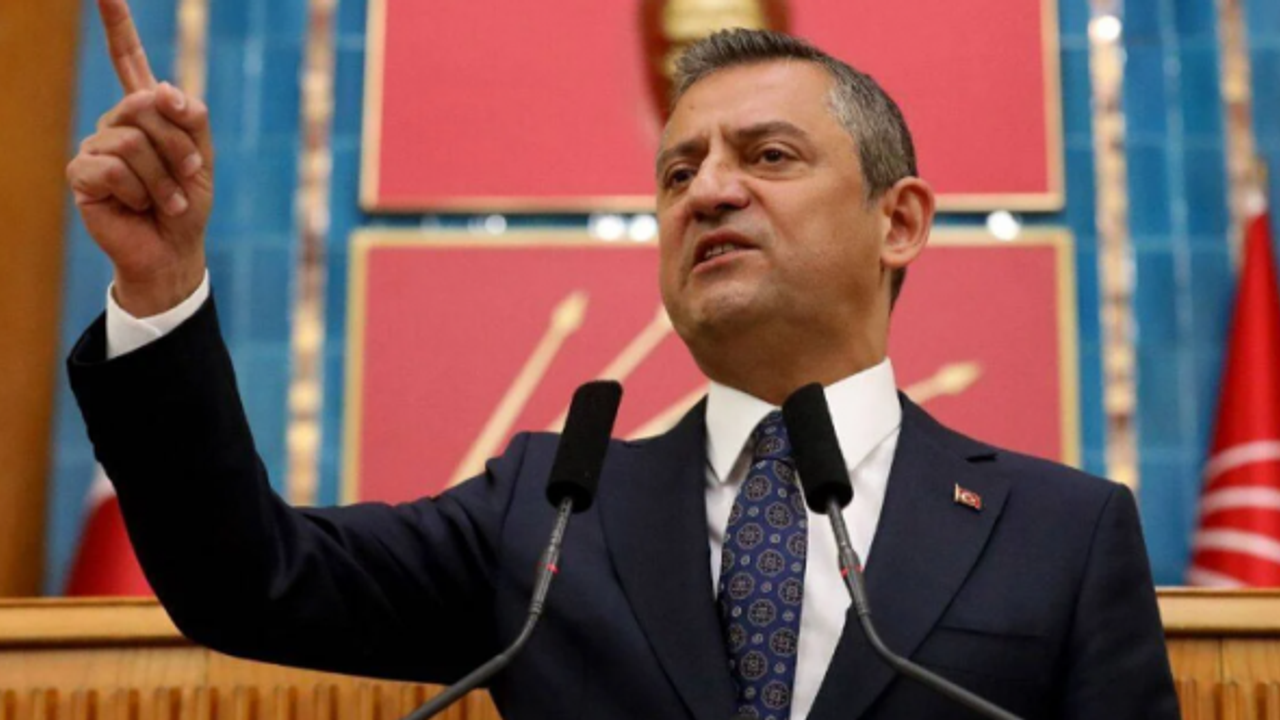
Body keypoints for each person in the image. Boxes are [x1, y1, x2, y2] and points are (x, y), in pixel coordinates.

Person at [65, 1, 1179, 718]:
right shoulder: (548, 512)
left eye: (768, 156)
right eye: (678, 171)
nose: (709, 191)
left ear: (899, 222)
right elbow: (248, 582)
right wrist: (162, 288)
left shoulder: (1064, 533)